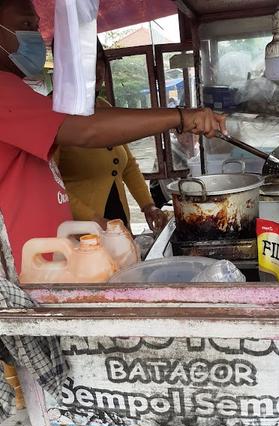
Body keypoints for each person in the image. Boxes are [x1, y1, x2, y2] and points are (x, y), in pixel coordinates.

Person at [0, 0, 226, 273]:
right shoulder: (12, 95)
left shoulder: (93, 109)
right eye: (25, 26)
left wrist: (147, 206)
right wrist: (182, 117)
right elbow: (87, 129)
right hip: (40, 261)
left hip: (58, 259)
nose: (34, 37)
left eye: (36, 28)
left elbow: (127, 163)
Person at [57, 39, 167, 233]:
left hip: (117, 227)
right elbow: (50, 187)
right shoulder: (55, 115)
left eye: (100, 59)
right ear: (65, 65)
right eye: (87, 59)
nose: (98, 67)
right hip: (83, 236)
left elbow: (128, 166)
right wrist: (96, 221)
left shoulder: (102, 107)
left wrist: (148, 206)